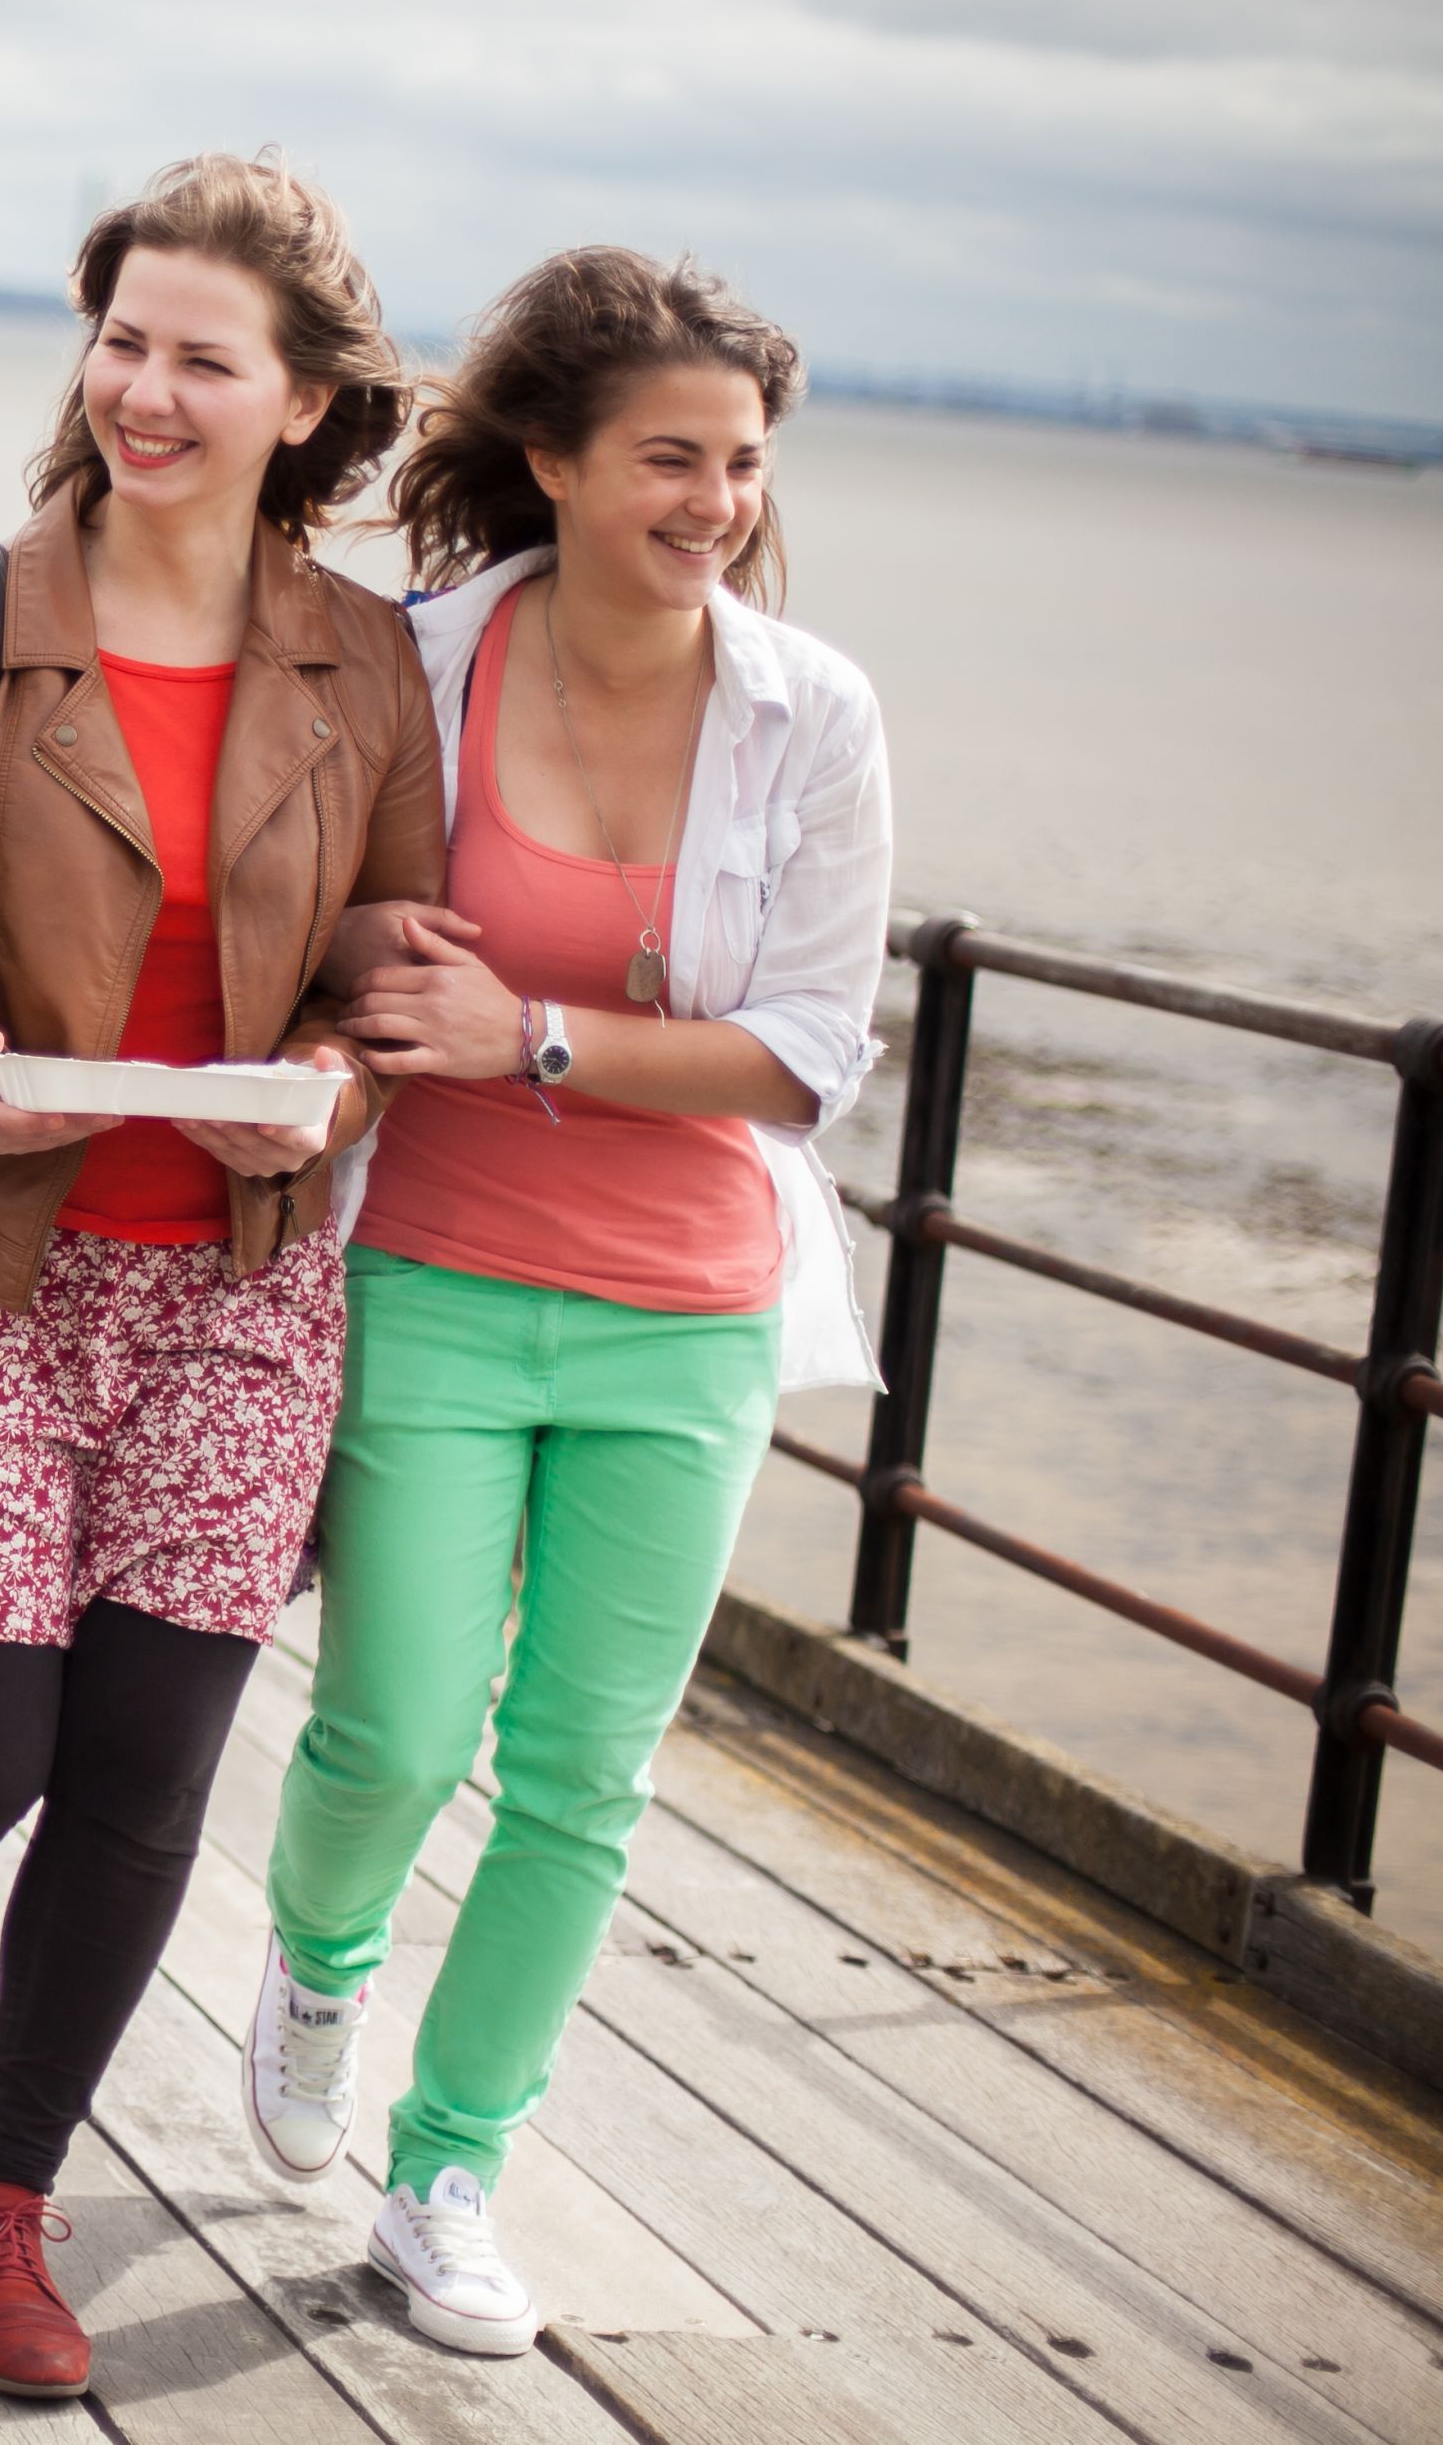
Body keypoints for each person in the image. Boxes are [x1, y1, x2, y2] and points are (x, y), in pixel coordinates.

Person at [0, 151, 441, 2402]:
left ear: (306, 402)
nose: (140, 387)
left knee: (139, 1781)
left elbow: (390, 960)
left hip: (232, 1299)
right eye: (117, 338)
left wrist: (326, 1085)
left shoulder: (364, 660)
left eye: (197, 357)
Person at [245, 248, 891, 2357]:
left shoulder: (811, 711)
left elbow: (807, 1056)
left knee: (578, 1779)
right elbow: (308, 921)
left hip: (682, 1311)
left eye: (738, 463)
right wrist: (362, 974)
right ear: (552, 457)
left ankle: (449, 2166)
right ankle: (316, 1955)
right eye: (666, 457)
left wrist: (528, 1030)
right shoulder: (405, 661)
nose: (711, 498)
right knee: (393, 1725)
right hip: (427, 1270)